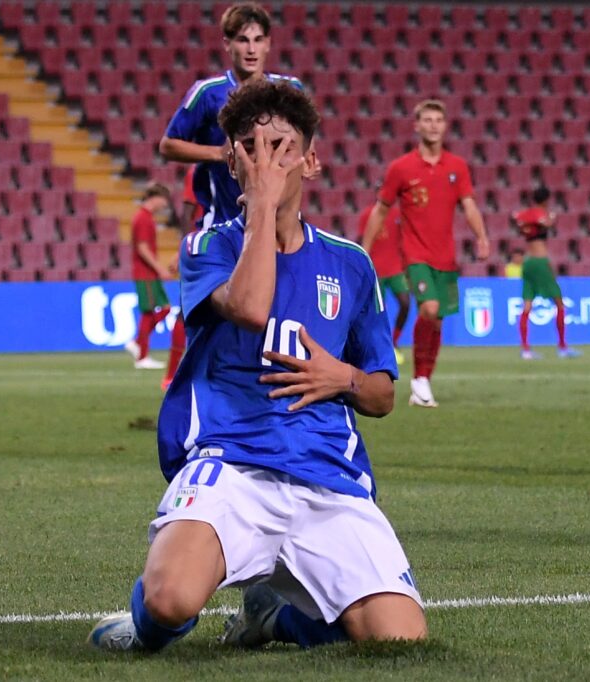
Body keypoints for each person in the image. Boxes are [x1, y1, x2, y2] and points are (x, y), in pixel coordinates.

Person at [89, 81, 425, 654]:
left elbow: (381, 396)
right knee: (171, 599)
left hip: (327, 475)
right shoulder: (206, 246)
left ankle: (272, 618)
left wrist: (338, 378)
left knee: (398, 636)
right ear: (232, 161)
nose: (266, 159)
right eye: (251, 146)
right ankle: (144, 625)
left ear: (311, 161)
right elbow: (249, 307)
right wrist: (264, 206)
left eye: (282, 146)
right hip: (233, 463)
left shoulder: (351, 263)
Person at [362, 100, 490, 408]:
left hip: (446, 257)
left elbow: (469, 205)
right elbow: (381, 210)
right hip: (415, 255)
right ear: (417, 126)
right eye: (427, 120)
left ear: (445, 126)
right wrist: (364, 250)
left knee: (438, 320)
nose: (433, 125)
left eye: (438, 120)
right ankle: (419, 380)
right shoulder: (401, 168)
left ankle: (423, 382)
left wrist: (482, 236)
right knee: (429, 309)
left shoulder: (457, 167)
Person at [159, 2, 311, 228]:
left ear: (268, 43)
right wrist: (218, 154)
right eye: (242, 40)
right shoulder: (207, 92)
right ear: (227, 44)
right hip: (222, 225)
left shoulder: (290, 88)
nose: (251, 49)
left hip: (277, 225)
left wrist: (308, 157)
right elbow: (167, 146)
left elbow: (308, 137)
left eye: (258, 40)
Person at [512, 187, 581, 360]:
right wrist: (552, 217)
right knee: (559, 303)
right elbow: (547, 222)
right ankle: (562, 347)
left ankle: (526, 349)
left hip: (527, 263)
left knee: (527, 305)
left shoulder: (525, 214)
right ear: (546, 199)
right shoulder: (540, 213)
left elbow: (518, 220)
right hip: (540, 262)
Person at [161, 166, 207, 391]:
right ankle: (171, 375)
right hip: (205, 249)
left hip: (235, 245)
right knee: (185, 311)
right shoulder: (199, 169)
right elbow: (187, 214)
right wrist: (187, 250)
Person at [124, 184, 173, 370]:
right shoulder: (143, 218)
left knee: (164, 308)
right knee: (150, 311)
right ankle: (141, 354)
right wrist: (159, 268)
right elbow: (142, 248)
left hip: (148, 273)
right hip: (145, 273)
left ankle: (138, 345)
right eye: (164, 201)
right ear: (157, 198)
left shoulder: (144, 217)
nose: (164, 205)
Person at [356, 200, 409, 365]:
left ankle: (395, 341)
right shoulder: (367, 214)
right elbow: (362, 238)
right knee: (379, 311)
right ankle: (379, 346)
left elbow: (404, 240)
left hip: (396, 268)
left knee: (406, 303)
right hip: (376, 268)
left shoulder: (397, 214)